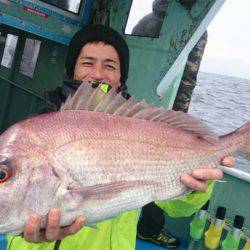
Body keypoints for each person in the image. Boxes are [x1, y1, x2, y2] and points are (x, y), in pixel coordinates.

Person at [7, 25, 235, 250]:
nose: (97, 74)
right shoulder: (36, 131)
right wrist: (27, 237)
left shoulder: (143, 128)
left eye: (110, 66)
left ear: (120, 76)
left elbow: (177, 210)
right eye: (87, 62)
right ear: (72, 69)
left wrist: (195, 189)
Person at [137, 31, 208, 248]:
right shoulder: (192, 27)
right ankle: (150, 229)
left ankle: (149, 228)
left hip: (159, 117)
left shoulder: (149, 24)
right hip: (159, 114)